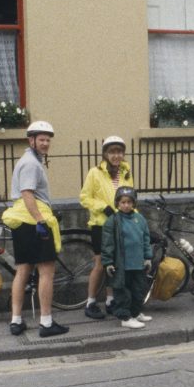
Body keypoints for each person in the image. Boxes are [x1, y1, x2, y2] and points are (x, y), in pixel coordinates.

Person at [3, 121, 68, 337]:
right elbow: (27, 193)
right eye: (41, 139)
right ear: (31, 140)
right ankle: (46, 323)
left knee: (23, 270)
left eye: (48, 140)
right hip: (33, 221)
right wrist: (40, 221)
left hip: (22, 221)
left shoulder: (29, 160)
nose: (45, 143)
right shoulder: (31, 163)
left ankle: (16, 320)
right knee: (46, 271)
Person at [79, 135, 133, 319]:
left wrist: (135, 219)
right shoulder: (95, 172)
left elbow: (130, 199)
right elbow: (85, 198)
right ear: (105, 154)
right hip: (101, 225)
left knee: (115, 264)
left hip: (121, 223)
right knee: (101, 264)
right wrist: (104, 208)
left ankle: (110, 301)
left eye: (119, 152)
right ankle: (91, 302)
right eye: (112, 152)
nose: (116, 155)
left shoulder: (126, 172)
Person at [101, 187, 153, 329]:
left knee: (139, 290)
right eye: (123, 202)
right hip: (122, 265)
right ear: (117, 203)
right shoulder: (112, 221)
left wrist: (147, 257)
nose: (126, 205)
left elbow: (146, 239)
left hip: (138, 264)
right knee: (122, 292)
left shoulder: (140, 219)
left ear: (134, 203)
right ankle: (125, 317)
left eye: (129, 202)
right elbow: (107, 244)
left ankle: (135, 314)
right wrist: (108, 262)